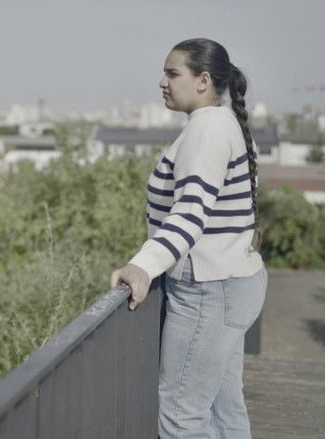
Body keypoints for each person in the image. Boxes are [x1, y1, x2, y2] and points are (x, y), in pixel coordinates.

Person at [110, 38, 268, 439]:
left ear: (202, 80)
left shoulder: (207, 129)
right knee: (224, 409)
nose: (162, 82)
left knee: (181, 416)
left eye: (172, 73)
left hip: (208, 293)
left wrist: (142, 266)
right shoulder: (221, 122)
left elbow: (190, 211)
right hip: (231, 283)